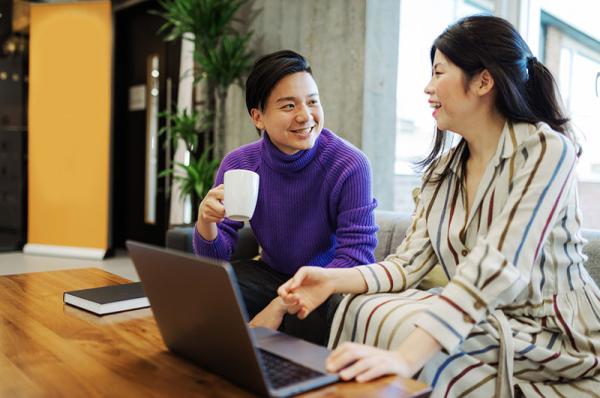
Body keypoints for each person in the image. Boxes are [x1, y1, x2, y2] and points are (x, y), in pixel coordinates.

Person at [278, 15, 600, 396]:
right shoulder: (444, 171)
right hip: (490, 322)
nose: (428, 88)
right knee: (362, 306)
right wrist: (330, 279)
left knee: (421, 340)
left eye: (438, 72)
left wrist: (406, 357)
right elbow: (408, 263)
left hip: (555, 336)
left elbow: (500, 263)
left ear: (483, 80)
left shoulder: (545, 151)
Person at [194, 50, 378, 345]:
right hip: (271, 273)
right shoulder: (240, 164)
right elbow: (214, 260)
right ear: (258, 117)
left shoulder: (350, 164)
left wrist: (279, 304)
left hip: (327, 280)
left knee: (306, 315)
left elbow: (357, 256)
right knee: (207, 290)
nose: (305, 116)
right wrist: (206, 223)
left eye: (312, 101)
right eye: (289, 105)